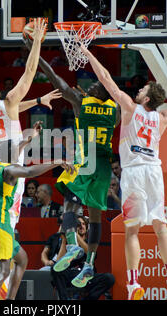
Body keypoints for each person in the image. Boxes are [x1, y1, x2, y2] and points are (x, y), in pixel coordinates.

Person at [80, 44, 167, 300]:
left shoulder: (129, 108)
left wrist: (88, 54)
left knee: (132, 231)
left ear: (145, 99)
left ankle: (134, 286)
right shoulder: (163, 117)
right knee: (160, 227)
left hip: (133, 174)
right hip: (154, 172)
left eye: (142, 89)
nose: (138, 90)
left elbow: (106, 79)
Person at [0, 18, 58, 297]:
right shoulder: (8, 102)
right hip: (9, 169)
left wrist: (38, 102)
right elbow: (30, 73)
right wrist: (36, 44)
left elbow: (14, 106)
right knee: (7, 219)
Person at [25, 38, 121, 289]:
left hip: (85, 162)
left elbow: (56, 79)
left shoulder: (81, 104)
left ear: (98, 93)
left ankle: (72, 248)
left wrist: (33, 52)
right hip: (102, 167)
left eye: (92, 88)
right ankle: (89, 262)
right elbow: (110, 87)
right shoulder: (116, 110)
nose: (87, 89)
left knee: (68, 203)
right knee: (96, 216)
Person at [0, 139, 75, 300]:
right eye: (17, 151)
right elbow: (29, 172)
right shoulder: (9, 169)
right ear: (12, 155)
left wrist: (24, 143)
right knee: (3, 269)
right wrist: (56, 162)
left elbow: (11, 154)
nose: (19, 154)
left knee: (21, 259)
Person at [50, 215, 115, 300]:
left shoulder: (90, 243)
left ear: (87, 228)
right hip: (70, 276)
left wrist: (75, 235)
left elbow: (90, 253)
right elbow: (58, 263)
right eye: (78, 224)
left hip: (86, 277)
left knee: (109, 278)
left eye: (83, 224)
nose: (81, 226)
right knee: (55, 269)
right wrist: (63, 241)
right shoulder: (67, 243)